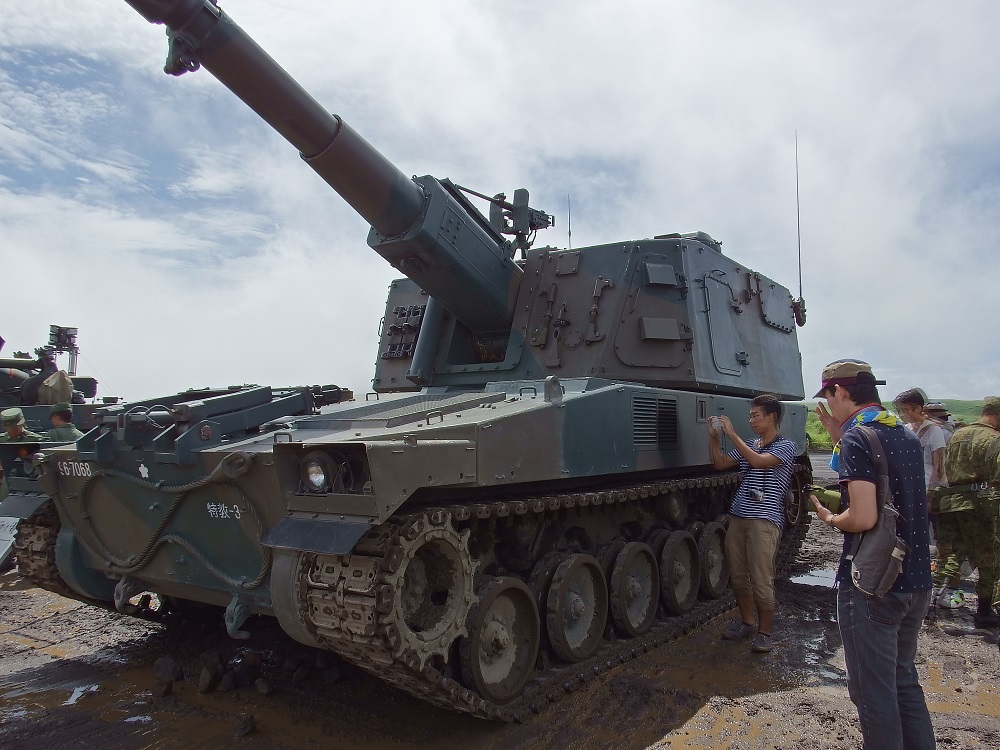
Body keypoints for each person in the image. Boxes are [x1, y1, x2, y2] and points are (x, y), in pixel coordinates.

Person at [810, 359, 934, 750]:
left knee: (872, 693)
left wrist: (830, 518)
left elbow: (863, 516)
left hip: (873, 583)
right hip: (915, 578)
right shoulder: (905, 434)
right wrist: (841, 436)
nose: (829, 404)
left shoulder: (858, 439)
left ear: (840, 391)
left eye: (829, 395)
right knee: (903, 681)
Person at [709, 394, 798, 654]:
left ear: (772, 416)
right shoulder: (751, 444)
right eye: (750, 416)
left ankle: (764, 632)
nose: (751, 420)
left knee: (761, 578)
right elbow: (720, 463)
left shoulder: (786, 446)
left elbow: (759, 461)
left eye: (755, 415)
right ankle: (748, 623)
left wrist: (732, 434)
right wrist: (714, 438)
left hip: (764, 520)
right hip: (739, 516)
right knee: (738, 577)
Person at [935, 397, 1000, 629]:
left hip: (951, 502)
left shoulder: (958, 434)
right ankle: (984, 611)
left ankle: (926, 601)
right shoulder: (994, 439)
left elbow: (945, 467)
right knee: (989, 558)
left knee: (951, 554)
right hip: (979, 506)